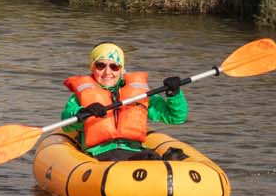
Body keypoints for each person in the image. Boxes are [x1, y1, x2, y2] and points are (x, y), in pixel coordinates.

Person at [59, 43, 188, 162]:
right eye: (100, 65)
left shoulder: (139, 94)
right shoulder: (80, 96)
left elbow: (176, 118)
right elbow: (67, 124)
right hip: (99, 154)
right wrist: (84, 112)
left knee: (152, 156)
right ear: (92, 67)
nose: (107, 72)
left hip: (133, 151)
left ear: (121, 69)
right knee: (147, 158)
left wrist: (174, 94)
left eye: (114, 66)